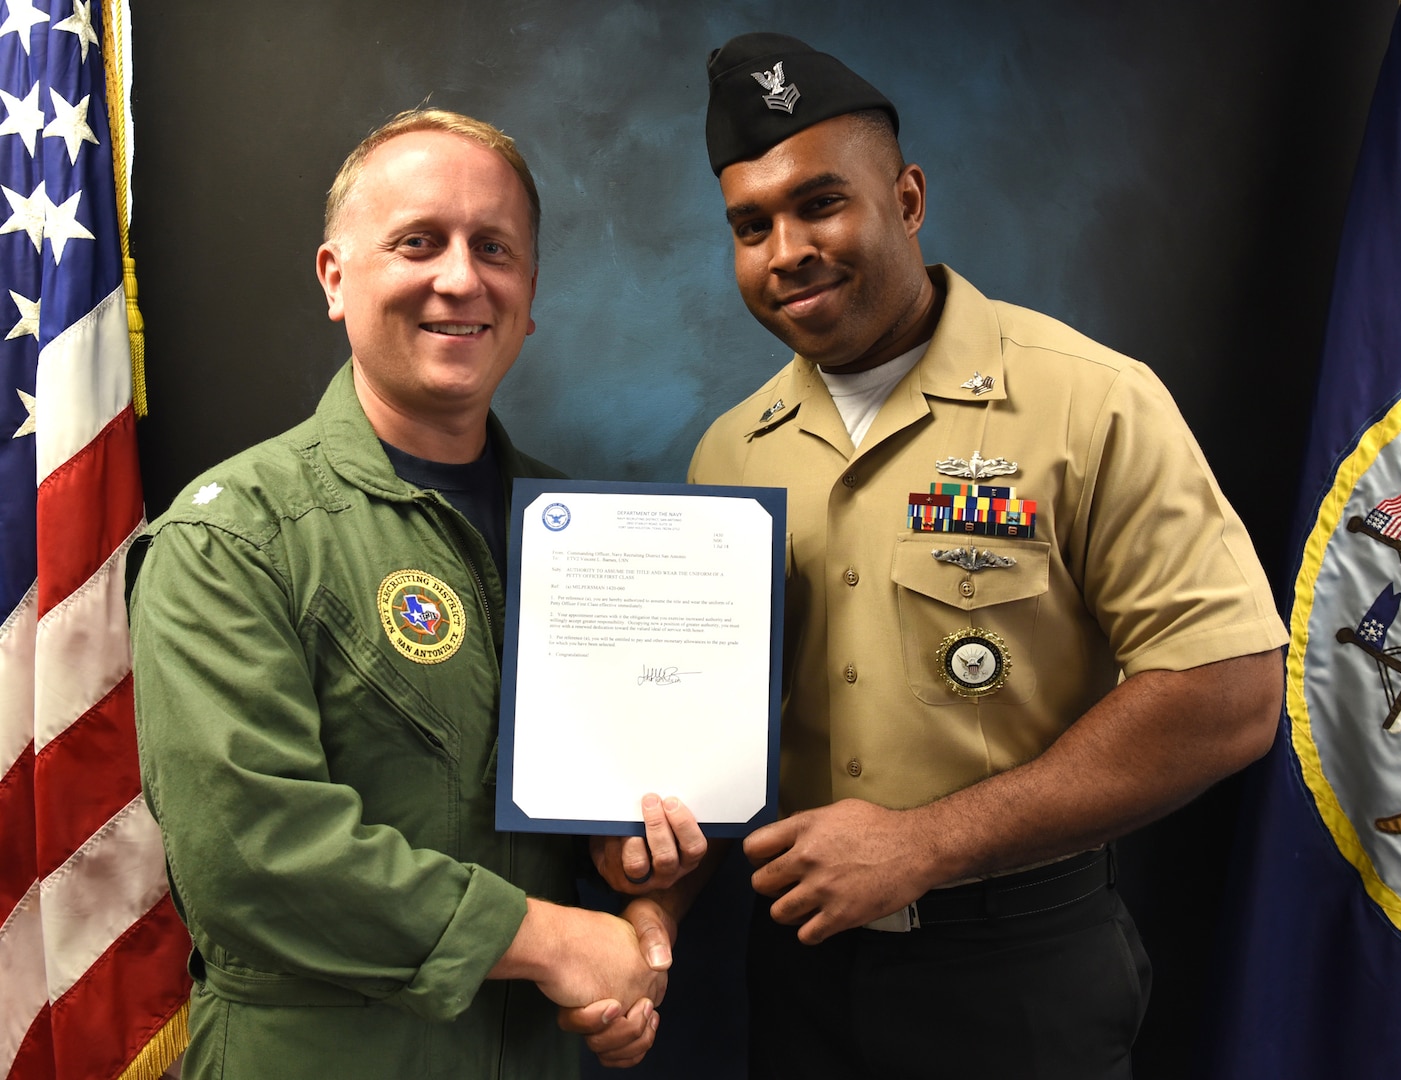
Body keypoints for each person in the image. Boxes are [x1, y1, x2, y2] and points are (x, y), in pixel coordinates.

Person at [597, 33, 1288, 1079]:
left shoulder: (1090, 400)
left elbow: (1232, 691)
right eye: (751, 225)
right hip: (799, 972)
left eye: (820, 203)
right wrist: (653, 896)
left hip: (1017, 973)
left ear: (907, 200)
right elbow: (711, 737)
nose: (786, 250)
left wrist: (929, 843)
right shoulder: (733, 453)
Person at [128, 108, 669, 1079]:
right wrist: (561, 943)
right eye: (419, 241)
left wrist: (644, 897)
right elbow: (253, 857)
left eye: (494, 249)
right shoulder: (233, 536)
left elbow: (616, 815)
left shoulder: (585, 542)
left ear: (531, 295)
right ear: (335, 277)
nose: (460, 278)